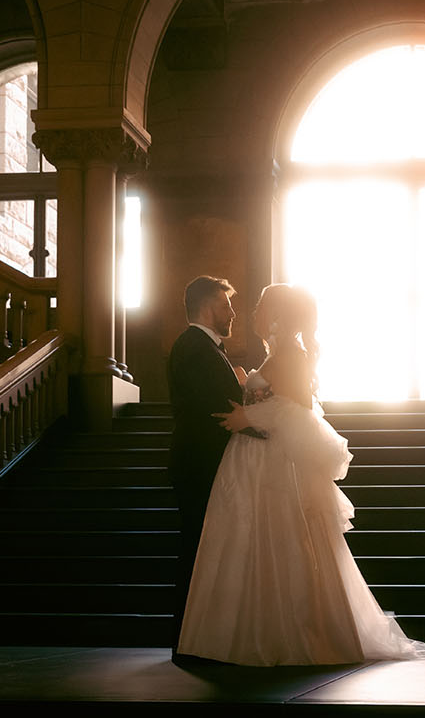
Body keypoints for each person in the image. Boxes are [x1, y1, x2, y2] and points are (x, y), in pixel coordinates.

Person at [176, 283, 425, 666]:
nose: (251, 313)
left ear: (278, 315)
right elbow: (280, 397)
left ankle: (294, 635)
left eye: (260, 306)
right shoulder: (280, 354)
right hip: (255, 460)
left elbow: (300, 413)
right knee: (255, 543)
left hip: (274, 463)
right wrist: (247, 385)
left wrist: (248, 415)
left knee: (283, 542)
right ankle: (257, 631)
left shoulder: (292, 354)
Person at [167, 275, 248, 657]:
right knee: (198, 549)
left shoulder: (204, 347)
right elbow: (217, 410)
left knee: (202, 548)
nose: (233, 312)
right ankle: (190, 639)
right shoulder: (196, 348)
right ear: (205, 305)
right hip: (201, 463)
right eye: (226, 304)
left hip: (203, 462)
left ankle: (199, 637)